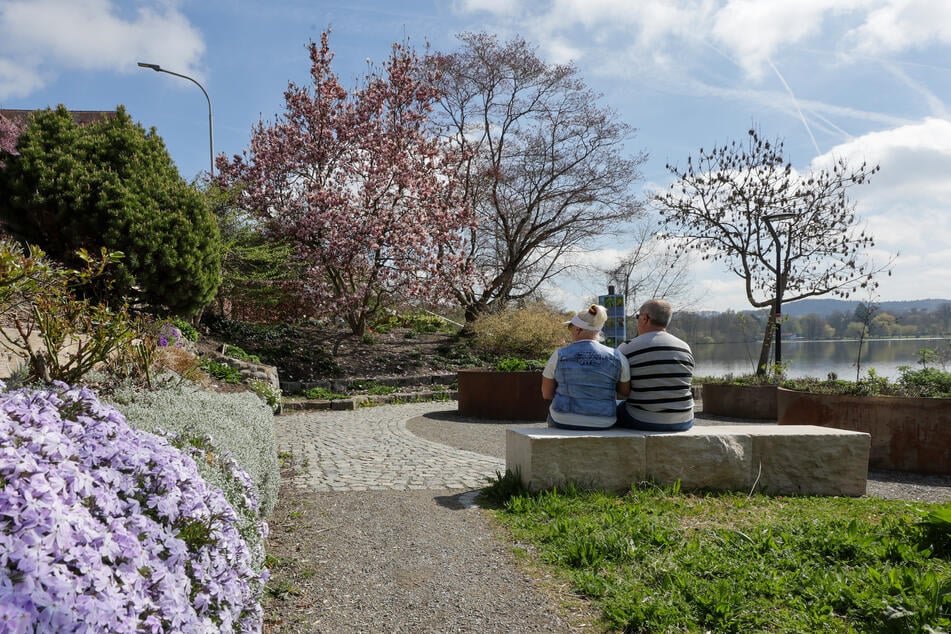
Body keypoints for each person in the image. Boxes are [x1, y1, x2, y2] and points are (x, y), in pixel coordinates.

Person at [541, 304, 631, 430]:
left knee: (553, 413)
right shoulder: (617, 356)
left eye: (570, 327)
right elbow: (624, 392)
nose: (570, 331)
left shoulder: (559, 355)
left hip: (563, 418)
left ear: (578, 330)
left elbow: (546, 394)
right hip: (604, 420)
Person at [616, 298, 695, 431]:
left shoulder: (627, 348)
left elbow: (621, 389)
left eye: (637, 317)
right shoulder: (685, 348)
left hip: (641, 419)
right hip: (684, 419)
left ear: (645, 318)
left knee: (612, 407)